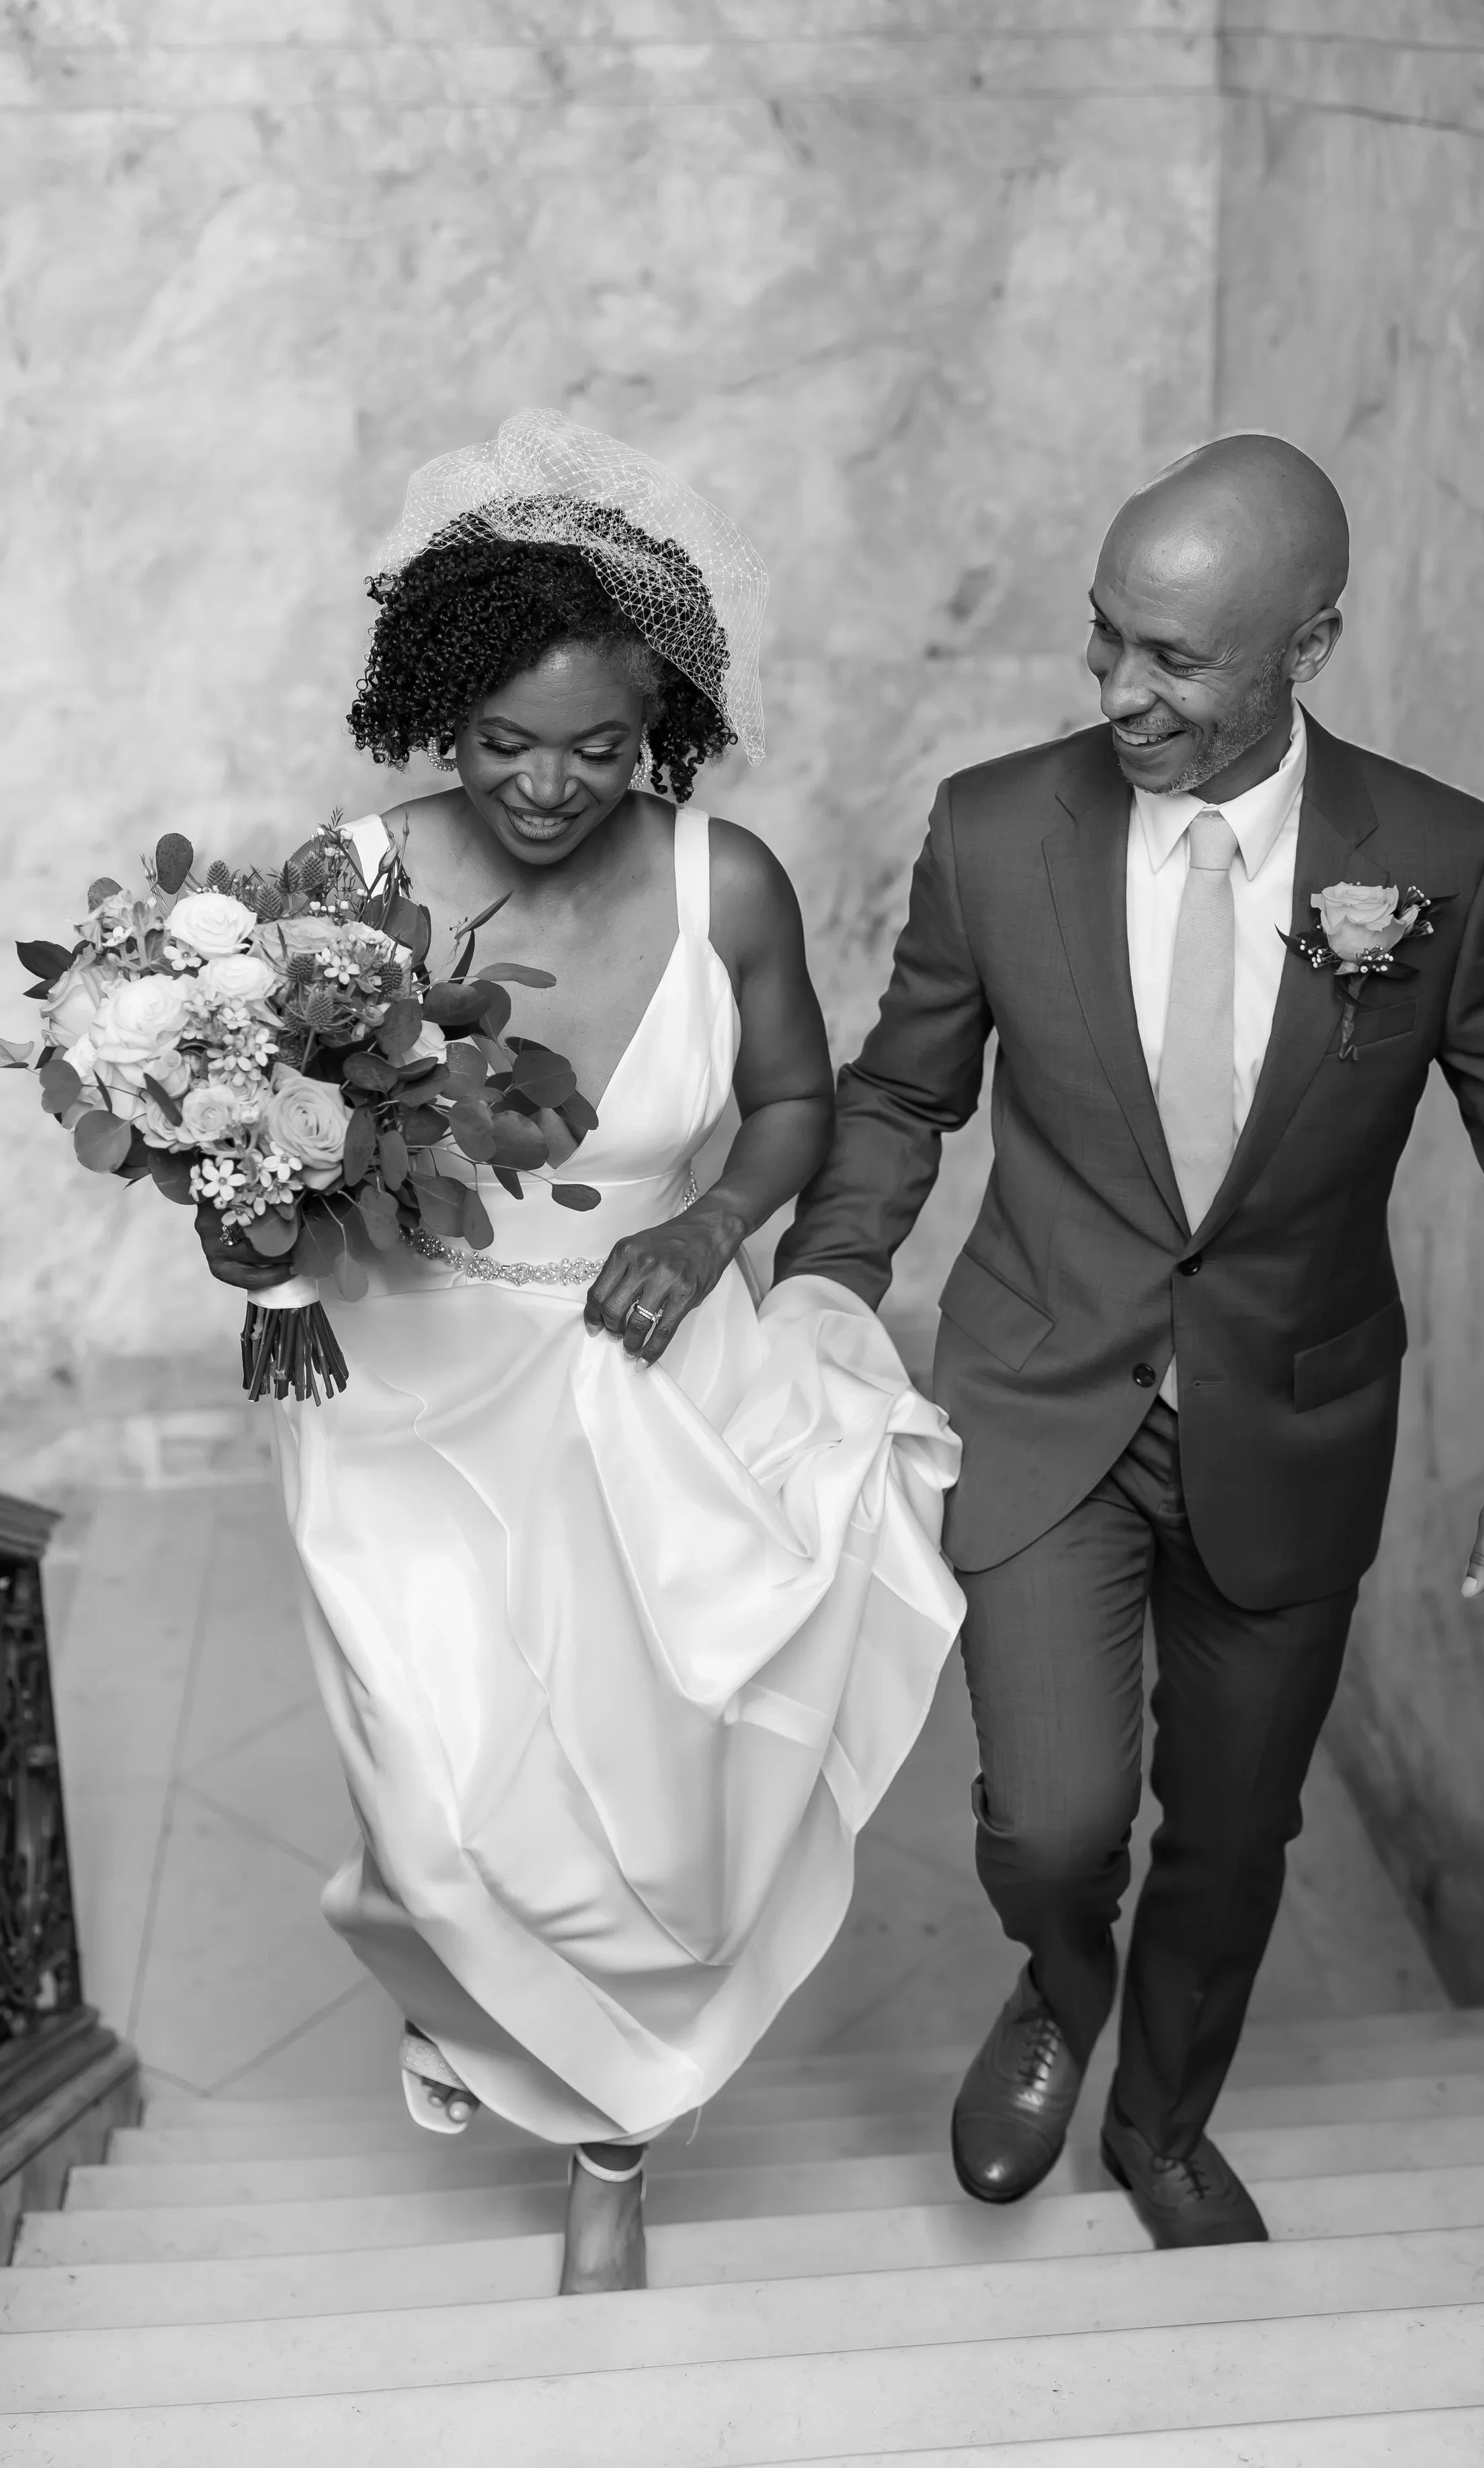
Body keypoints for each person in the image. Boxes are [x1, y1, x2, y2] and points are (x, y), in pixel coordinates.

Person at [774, 433, 1484, 2248]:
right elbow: (898, 1094)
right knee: (1054, 1825)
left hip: (1294, 1421)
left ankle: (1158, 2122)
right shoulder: (995, 825)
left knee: (1233, 1836)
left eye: (1171, 659)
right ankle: (1056, 1985)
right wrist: (825, 1285)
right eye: (1103, 641)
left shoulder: (1438, 862)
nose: (1117, 691)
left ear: (1304, 645)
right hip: (1038, 1391)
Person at [200, 413, 963, 2293]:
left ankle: (609, 2140)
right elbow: (258, 1123)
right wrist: (247, 1219)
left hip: (645, 1391)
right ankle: (467, 1985)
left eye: (601, 746)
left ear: (664, 730)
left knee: (645, 1823)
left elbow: (797, 1105)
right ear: (435, 716)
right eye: (502, 743)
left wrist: (705, 1232)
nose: (549, 787)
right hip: (406, 1400)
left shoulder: (735, 888)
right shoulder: (351, 883)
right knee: (443, 1810)